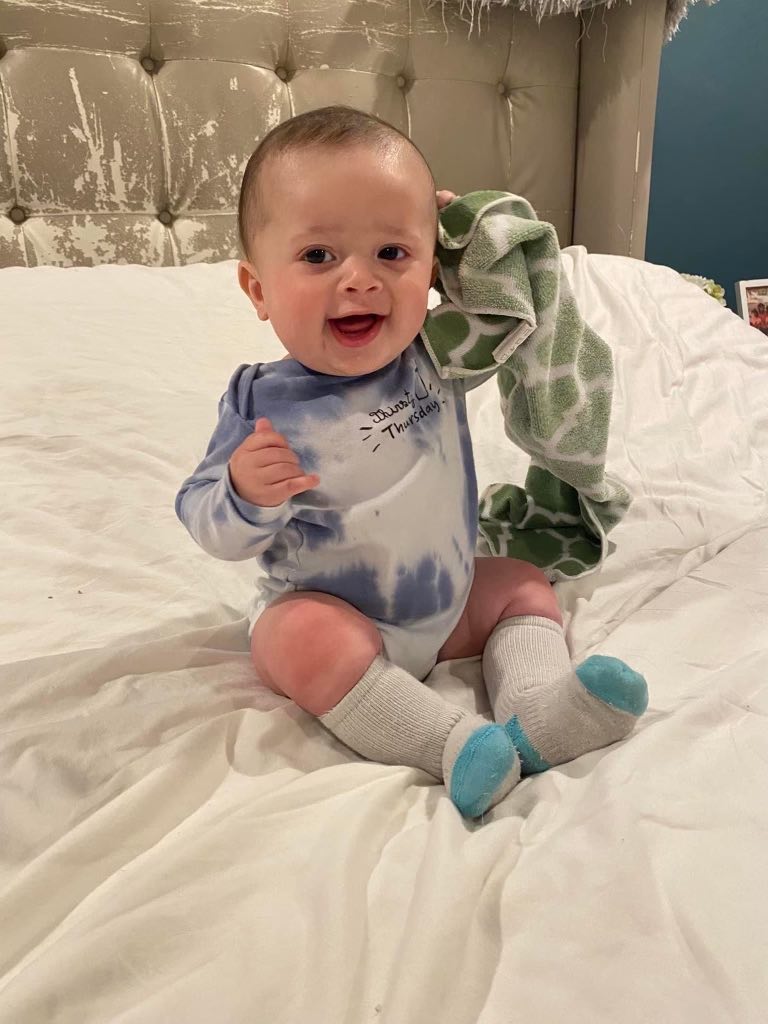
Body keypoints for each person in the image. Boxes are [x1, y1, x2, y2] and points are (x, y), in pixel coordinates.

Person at [176, 105, 647, 819]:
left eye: (392, 253)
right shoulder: (262, 403)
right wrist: (243, 490)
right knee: (293, 637)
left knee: (522, 583)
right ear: (259, 290)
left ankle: (538, 713)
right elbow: (205, 517)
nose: (360, 279)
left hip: (447, 605)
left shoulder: (433, 354)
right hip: (343, 617)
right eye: (318, 256)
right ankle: (451, 743)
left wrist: (467, 242)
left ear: (429, 268)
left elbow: (510, 311)